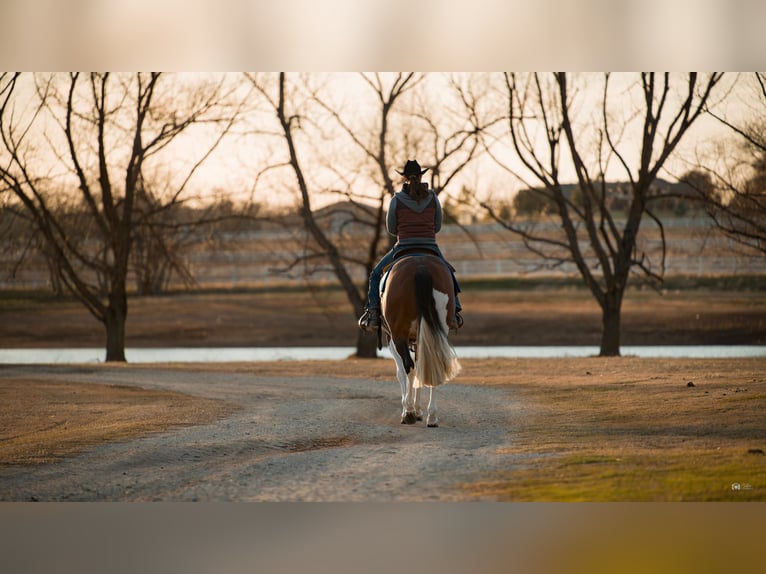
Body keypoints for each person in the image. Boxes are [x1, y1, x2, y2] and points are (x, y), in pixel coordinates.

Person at [358, 159, 463, 331]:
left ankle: (373, 314)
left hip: (404, 247)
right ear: (421, 177)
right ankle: (455, 312)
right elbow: (437, 227)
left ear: (404, 178)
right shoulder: (433, 198)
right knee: (449, 273)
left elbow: (391, 229)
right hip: (430, 247)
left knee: (376, 275)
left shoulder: (397, 199)